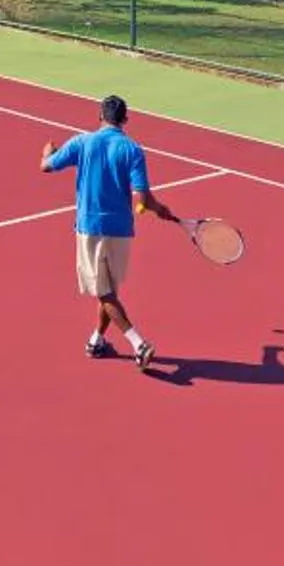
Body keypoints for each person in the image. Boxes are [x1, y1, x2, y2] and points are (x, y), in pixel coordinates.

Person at [39, 94, 177, 367]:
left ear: (99, 116)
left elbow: (45, 166)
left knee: (104, 293)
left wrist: (47, 152)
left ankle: (139, 344)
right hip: (121, 231)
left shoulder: (82, 142)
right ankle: (96, 340)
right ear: (125, 120)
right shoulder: (133, 150)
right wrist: (161, 210)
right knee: (109, 291)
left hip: (90, 228)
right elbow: (143, 200)